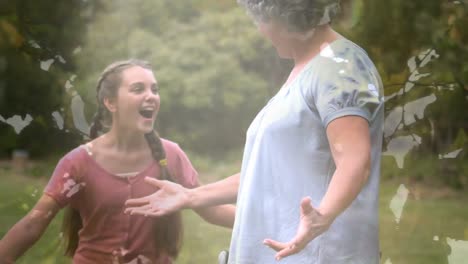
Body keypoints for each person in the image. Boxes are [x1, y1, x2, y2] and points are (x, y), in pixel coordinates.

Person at [125, 0, 384, 263]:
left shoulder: (340, 66)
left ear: (286, 16)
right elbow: (268, 173)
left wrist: (323, 216)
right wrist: (191, 195)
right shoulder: (306, 70)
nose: (261, 30)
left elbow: (353, 160)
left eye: (262, 20)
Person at [0, 59, 234, 264]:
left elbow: (211, 210)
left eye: (155, 89)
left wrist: (268, 222)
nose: (151, 95)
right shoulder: (78, 162)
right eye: (137, 89)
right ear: (110, 103)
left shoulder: (170, 155)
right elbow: (32, 225)